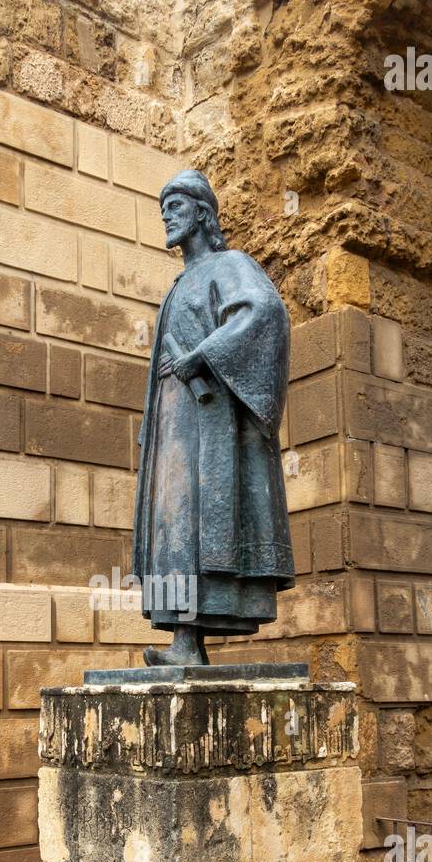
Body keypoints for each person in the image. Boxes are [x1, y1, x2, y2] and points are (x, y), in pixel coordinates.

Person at [132, 169, 296, 667]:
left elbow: (263, 311)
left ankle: (188, 642)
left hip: (210, 425)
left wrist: (201, 355)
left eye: (176, 207)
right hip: (176, 423)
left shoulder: (230, 264)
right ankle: (186, 644)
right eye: (164, 208)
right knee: (175, 524)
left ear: (202, 213)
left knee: (198, 520)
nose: (166, 215)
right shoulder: (180, 283)